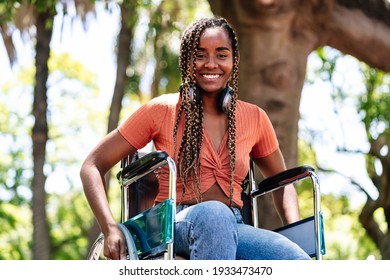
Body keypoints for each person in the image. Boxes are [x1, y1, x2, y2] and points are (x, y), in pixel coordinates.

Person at [80, 17, 310, 260]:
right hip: (171, 226)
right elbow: (91, 166)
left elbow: (282, 185)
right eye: (200, 55)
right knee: (214, 215)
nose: (211, 64)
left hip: (234, 226)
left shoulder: (255, 117)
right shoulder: (163, 109)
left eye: (221, 55)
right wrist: (109, 227)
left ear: (234, 60)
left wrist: (293, 232)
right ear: (187, 60)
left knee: (297, 260)